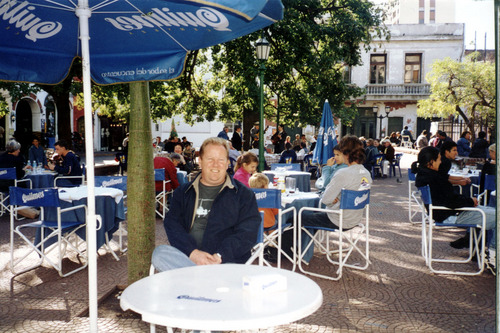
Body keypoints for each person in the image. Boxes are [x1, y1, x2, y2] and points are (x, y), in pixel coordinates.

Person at [151, 137, 260, 271]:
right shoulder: (183, 192)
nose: (216, 165)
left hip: (226, 263)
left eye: (221, 160)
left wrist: (219, 256)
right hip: (189, 259)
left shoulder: (244, 195)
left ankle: (200, 280)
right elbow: (173, 225)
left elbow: (247, 233)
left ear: (227, 163)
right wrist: (193, 253)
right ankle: (205, 280)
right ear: (200, 162)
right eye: (210, 159)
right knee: (160, 254)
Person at [411, 146, 495, 268]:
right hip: (451, 214)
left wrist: (468, 201)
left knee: (493, 212)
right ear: (431, 162)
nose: (441, 162)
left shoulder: (426, 175)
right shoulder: (433, 178)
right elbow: (451, 201)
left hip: (448, 212)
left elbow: (449, 198)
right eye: (439, 159)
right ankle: (493, 257)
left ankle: (488, 253)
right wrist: (470, 201)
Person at [299, 135, 372, 264]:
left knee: (297, 215)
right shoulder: (366, 173)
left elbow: (326, 199)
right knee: (312, 216)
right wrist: (338, 198)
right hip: (355, 218)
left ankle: (290, 253)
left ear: (346, 153)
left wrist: (334, 198)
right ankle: (303, 252)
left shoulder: (343, 173)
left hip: (337, 219)